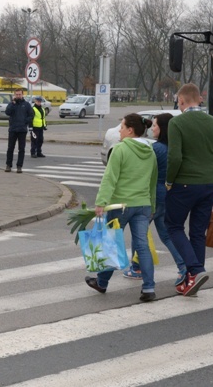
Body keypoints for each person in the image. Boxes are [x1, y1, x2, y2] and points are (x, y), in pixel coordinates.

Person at [165, 83, 213, 297]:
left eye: (178, 101)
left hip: (185, 184)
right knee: (197, 232)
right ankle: (193, 279)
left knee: (173, 226)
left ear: (182, 101)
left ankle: (195, 270)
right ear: (199, 99)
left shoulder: (177, 123)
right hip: (211, 185)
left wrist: (169, 181)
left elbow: (174, 157)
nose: (178, 104)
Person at [85, 113, 158, 302]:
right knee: (142, 246)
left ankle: (101, 283)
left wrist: (101, 202)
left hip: (120, 205)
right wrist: (152, 205)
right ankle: (149, 288)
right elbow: (153, 181)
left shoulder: (120, 149)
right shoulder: (150, 151)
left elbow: (110, 178)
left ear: (130, 130)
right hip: (142, 205)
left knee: (110, 244)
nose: (120, 130)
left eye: (122, 127)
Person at [122, 113, 187, 286]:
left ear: (163, 128)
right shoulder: (173, 147)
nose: (152, 129)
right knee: (166, 235)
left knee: (139, 233)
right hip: (168, 196)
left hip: (153, 196)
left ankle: (137, 268)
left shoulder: (156, 149)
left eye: (156, 125)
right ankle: (183, 266)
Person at [5, 88, 33, 173]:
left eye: (19, 94)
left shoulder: (26, 105)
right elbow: (7, 112)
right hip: (13, 129)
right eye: (16, 94)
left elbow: (31, 115)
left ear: (22, 94)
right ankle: (8, 165)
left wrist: (25, 121)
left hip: (22, 130)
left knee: (21, 149)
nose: (18, 96)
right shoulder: (11, 104)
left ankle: (19, 166)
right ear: (14, 95)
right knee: (10, 148)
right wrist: (12, 104)